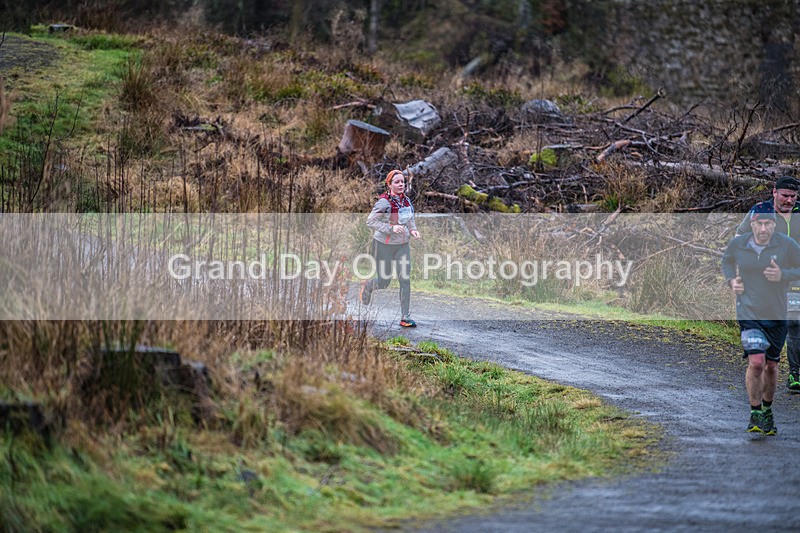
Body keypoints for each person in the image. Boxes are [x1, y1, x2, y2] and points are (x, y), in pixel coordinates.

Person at [723, 203, 800, 434]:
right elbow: (727, 261)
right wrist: (731, 281)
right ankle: (755, 412)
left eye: (768, 224)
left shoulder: (787, 245)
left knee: (771, 366)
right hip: (749, 313)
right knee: (756, 362)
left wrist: (783, 275)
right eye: (759, 224)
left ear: (774, 226)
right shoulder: (739, 243)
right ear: (752, 224)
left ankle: (767, 410)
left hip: (777, 314)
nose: (763, 229)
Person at [736, 175, 800, 391]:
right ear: (774, 192)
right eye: (784, 196)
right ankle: (762, 362)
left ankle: (795, 374)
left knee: (794, 322)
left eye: (793, 196)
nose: (789, 201)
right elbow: (740, 237)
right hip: (763, 280)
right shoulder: (760, 211)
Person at [360, 169, 421, 327]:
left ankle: (405, 317)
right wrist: (390, 228)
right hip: (383, 245)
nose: (401, 184)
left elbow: (409, 218)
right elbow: (370, 221)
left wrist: (413, 230)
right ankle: (369, 286)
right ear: (389, 184)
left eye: (402, 182)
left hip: (402, 246)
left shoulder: (406, 201)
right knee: (384, 281)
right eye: (397, 182)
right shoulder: (384, 202)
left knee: (405, 279)